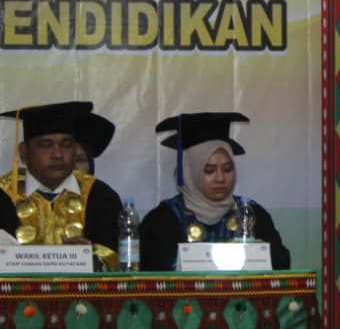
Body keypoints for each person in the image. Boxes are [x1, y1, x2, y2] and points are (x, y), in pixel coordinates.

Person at [139, 111, 290, 271]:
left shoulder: (251, 214)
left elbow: (282, 265)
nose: (220, 178)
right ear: (190, 172)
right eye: (209, 170)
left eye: (227, 169)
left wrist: (262, 253)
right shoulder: (163, 220)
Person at [0, 101, 124, 269]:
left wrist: (91, 259)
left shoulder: (100, 196)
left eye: (66, 145)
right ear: (24, 152)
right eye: (46, 145)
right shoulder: (3, 195)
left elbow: (120, 260)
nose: (58, 154)